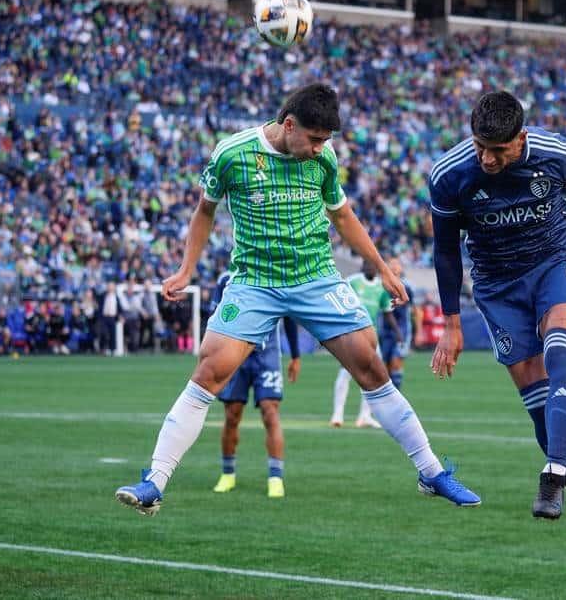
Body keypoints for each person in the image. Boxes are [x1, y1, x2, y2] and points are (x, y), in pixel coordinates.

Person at [115, 83, 479, 516]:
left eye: (326, 141)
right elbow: (205, 211)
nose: (320, 149)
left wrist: (381, 267)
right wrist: (186, 269)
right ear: (289, 125)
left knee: (371, 365)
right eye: (314, 139)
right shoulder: (232, 154)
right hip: (256, 281)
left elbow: (342, 216)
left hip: (315, 279)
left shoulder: (324, 159)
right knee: (209, 371)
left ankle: (431, 472)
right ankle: (155, 480)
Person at [428, 91, 566, 560]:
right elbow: (444, 250)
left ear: (521, 139)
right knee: (542, 416)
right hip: (498, 289)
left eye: (498, 151)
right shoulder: (449, 175)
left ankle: (552, 474)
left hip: (553, 263)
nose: (487, 158)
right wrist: (451, 324)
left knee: (562, 357)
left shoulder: (556, 154)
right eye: (480, 146)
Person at [210, 272, 301, 498]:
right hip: (235, 353)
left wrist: (296, 356)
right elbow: (215, 315)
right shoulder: (226, 279)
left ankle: (275, 478)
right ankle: (228, 474)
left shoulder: (277, 275)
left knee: (270, 412)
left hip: (267, 355)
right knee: (232, 414)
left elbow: (288, 317)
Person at [329, 261, 390, 429]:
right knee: (345, 372)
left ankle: (365, 416)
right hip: (352, 335)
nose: (370, 268)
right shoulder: (352, 282)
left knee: (375, 375)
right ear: (362, 267)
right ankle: (337, 414)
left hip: (372, 337)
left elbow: (387, 312)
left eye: (372, 266)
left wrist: (398, 333)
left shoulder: (380, 287)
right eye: (367, 265)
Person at [378, 257, 414, 392]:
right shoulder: (381, 285)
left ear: (401, 268)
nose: (393, 267)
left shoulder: (407, 286)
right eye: (391, 264)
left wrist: (419, 331)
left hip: (402, 330)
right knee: (385, 366)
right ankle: (390, 396)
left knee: (396, 362)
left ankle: (397, 394)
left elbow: (414, 309)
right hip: (385, 331)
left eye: (396, 264)